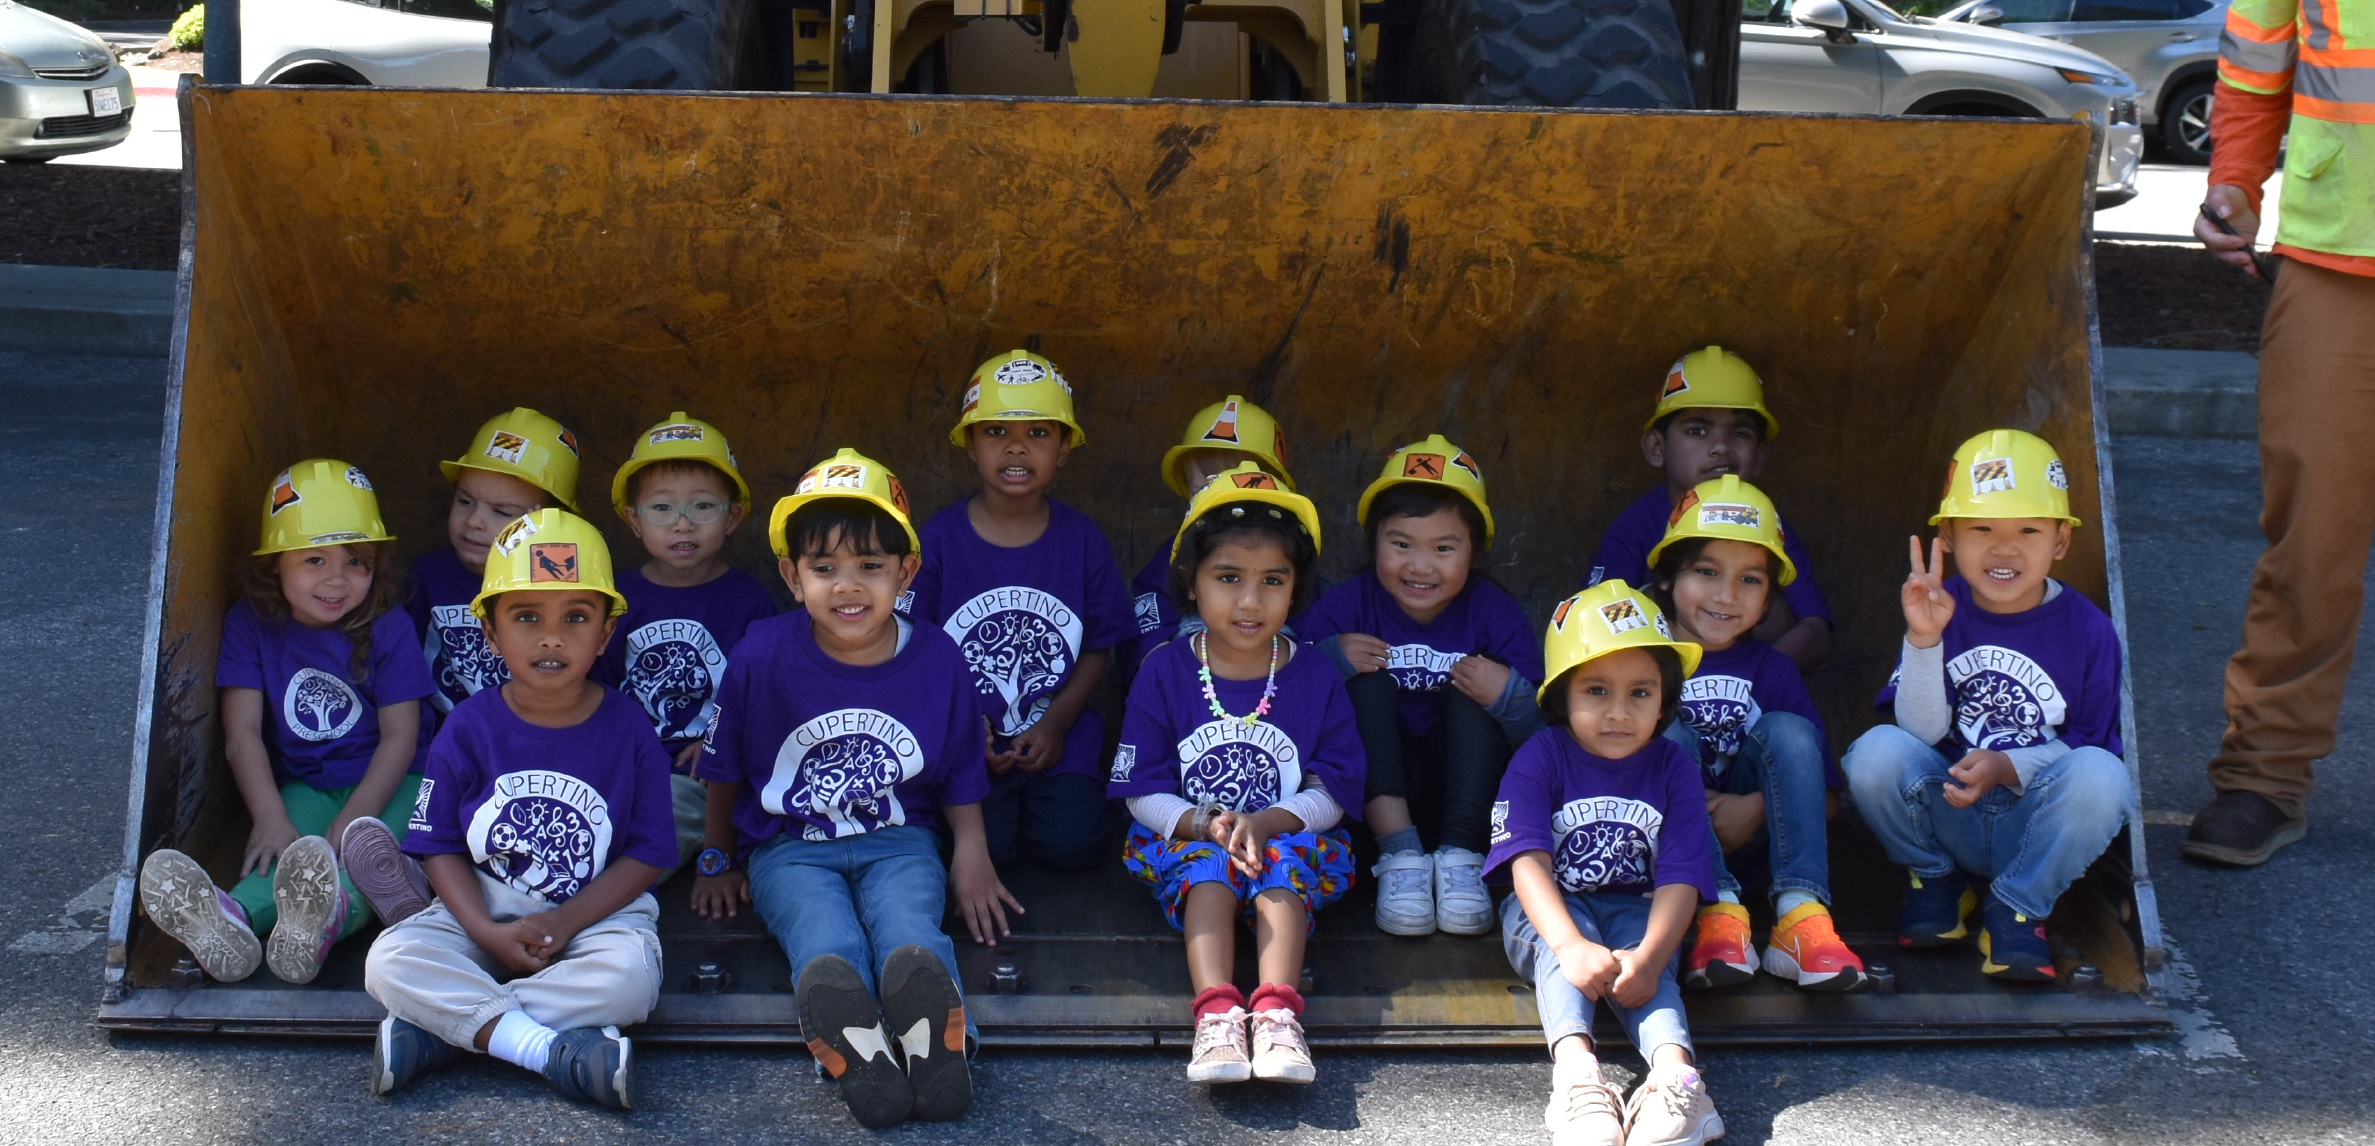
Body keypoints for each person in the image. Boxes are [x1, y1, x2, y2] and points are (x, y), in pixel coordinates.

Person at [692, 449, 1014, 1129]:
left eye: (870, 567)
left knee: (909, 933)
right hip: (788, 847)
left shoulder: (937, 657)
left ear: (906, 573)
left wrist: (971, 851)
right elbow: (722, 766)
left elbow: (958, 766)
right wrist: (716, 856)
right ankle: (857, 1052)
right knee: (824, 936)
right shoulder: (759, 652)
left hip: (900, 840)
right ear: (791, 575)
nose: (848, 587)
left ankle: (940, 1046)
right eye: (824, 568)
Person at [364, 509, 678, 1109]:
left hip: (594, 915)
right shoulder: (466, 726)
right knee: (389, 962)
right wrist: (483, 929)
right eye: (526, 617)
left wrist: (564, 923)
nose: (551, 637)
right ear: (490, 632)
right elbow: (437, 845)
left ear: (607, 633)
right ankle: (541, 1048)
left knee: (632, 980)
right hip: (486, 902)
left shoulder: (630, 727)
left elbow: (649, 854)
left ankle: (441, 1034)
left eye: (577, 618)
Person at [2185, 0, 2375, 866]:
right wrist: (2233, 179)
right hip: (2339, 257)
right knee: (2311, 540)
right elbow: (2256, 63)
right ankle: (2263, 778)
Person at [1841, 430, 2130, 982]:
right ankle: (1937, 880)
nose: (2005, 548)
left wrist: (2010, 766)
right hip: (1952, 810)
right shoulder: (1943, 609)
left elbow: (2091, 745)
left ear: (2061, 542)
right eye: (1981, 529)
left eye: (2028, 530)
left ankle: (2018, 905)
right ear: (1947, 537)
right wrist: (1925, 640)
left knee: (2104, 777)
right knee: (1874, 752)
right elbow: (1918, 734)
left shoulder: (2090, 630)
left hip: (2037, 822)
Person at [1108, 465, 1365, 1086]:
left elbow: (1335, 785)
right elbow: (1140, 789)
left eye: (1272, 581)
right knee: (1206, 872)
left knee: (1281, 866)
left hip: (1287, 833)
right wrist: (1200, 822)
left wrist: (1268, 821)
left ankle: (1277, 1012)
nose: (1250, 601)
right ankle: (1218, 1014)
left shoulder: (1313, 674)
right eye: (1228, 579)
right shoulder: (1164, 670)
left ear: (1296, 589)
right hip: (1192, 834)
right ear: (1191, 585)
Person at [140, 460, 434, 985]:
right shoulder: (250, 624)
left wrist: (358, 816)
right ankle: (229, 920)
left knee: (369, 865)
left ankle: (324, 923)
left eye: (357, 561)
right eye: (314, 559)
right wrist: (269, 815)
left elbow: (401, 734)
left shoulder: (387, 623)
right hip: (309, 783)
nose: (337, 579)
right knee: (280, 859)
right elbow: (242, 734)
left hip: (401, 780)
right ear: (275, 563)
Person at [1488, 579, 1724, 1146]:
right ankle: (1576, 1076)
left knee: (1647, 957)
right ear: (1561, 697)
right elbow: (1526, 862)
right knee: (1559, 947)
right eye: (1596, 690)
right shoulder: (1540, 755)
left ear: (1664, 701)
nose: (1619, 712)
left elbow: (1682, 875)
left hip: (1638, 908)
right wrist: (1570, 945)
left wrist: (1649, 956)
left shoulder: (1672, 767)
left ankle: (1677, 1078)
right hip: (1549, 910)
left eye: (1640, 693)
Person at [1295, 435, 1542, 938]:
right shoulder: (1348, 606)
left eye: (1444, 548)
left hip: (1465, 801)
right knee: (1364, 687)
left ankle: (1462, 859)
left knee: (1481, 686)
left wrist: (1511, 696)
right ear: (1372, 543)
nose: (1421, 566)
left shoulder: (1493, 611)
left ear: (1474, 550)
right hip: (1371, 806)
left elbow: (1548, 736)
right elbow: (1281, 692)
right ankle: (1401, 859)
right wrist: (1329, 661)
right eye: (1401, 544)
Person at [906, 350, 1134, 871]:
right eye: (995, 432)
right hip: (964, 738)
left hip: (1061, 736)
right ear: (969, 444)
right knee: (991, 847)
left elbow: (1100, 647)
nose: (1016, 446)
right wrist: (966, 726)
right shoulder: (938, 539)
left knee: (1072, 846)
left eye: (1038, 433)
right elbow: (914, 647)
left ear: (1066, 448)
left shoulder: (1081, 540)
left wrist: (1056, 723)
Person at [1645, 476, 1863, 993]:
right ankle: (1714, 914)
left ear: (1769, 601)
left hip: (1760, 847)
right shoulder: (1642, 660)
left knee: (1788, 730)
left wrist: (1754, 810)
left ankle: (1800, 918)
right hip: (1668, 856)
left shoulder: (1773, 670)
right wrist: (1691, 811)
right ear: (1666, 580)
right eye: (1706, 572)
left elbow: (1827, 798)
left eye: (1750, 580)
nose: (1726, 595)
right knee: (1663, 732)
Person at [598, 411, 775, 878]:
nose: (682, 524)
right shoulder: (616, 598)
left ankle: (602, 894)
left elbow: (763, 698)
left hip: (702, 775)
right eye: (661, 509)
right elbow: (595, 688)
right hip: (625, 761)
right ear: (632, 520)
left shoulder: (750, 601)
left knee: (667, 815)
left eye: (702, 506)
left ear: (733, 516)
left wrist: (715, 741)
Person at [1587, 347, 1832, 672]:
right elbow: (1594, 619)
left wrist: (1761, 680)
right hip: (1659, 695)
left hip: (1747, 692)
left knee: (1775, 611)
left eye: (1740, 433)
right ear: (1657, 447)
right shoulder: (1635, 526)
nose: (1720, 447)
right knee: (1644, 599)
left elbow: (1815, 628)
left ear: (1760, 456)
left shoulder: (1765, 521)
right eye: (1697, 431)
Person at [408, 408, 581, 719]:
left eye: (502, 512)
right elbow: (405, 677)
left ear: (549, 521)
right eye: (465, 501)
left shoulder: (565, 587)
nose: (474, 521)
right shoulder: (428, 575)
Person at [1125, 395, 1298, 675]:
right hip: (1191, 682)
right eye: (1204, 490)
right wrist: (1155, 656)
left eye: (1239, 491)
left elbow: (1311, 625)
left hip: (1269, 679)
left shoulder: (1288, 552)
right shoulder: (1178, 550)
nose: (1221, 502)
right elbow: (1148, 614)